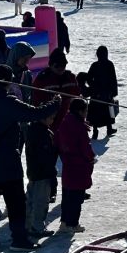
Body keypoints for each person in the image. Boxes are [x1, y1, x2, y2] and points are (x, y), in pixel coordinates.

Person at [0, 64, 60, 249]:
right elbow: (34, 114)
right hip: (6, 162)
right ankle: (19, 239)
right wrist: (55, 103)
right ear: (9, 81)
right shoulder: (7, 102)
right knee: (16, 203)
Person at [55, 98, 95, 232]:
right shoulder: (79, 126)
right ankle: (73, 224)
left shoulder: (65, 122)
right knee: (76, 198)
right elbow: (85, 147)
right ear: (80, 111)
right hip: (79, 166)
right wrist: (91, 158)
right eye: (86, 110)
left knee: (67, 196)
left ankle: (64, 222)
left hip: (68, 164)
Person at [24, 111, 58, 239]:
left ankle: (27, 225)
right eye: (51, 117)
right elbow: (46, 157)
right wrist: (52, 174)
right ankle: (37, 227)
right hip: (42, 174)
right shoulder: (42, 134)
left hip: (34, 172)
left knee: (31, 200)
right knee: (40, 202)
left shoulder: (34, 130)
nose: (53, 120)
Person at [32, 49, 80, 114]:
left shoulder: (71, 78)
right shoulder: (42, 80)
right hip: (49, 116)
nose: (61, 68)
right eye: (57, 66)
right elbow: (36, 101)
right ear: (51, 65)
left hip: (68, 116)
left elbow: (77, 96)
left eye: (63, 65)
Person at [86, 45, 118, 138]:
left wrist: (93, 87)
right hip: (107, 93)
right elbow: (113, 79)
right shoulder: (109, 64)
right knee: (108, 110)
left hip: (96, 93)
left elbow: (88, 78)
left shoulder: (95, 65)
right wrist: (114, 92)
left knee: (96, 112)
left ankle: (95, 131)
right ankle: (109, 128)